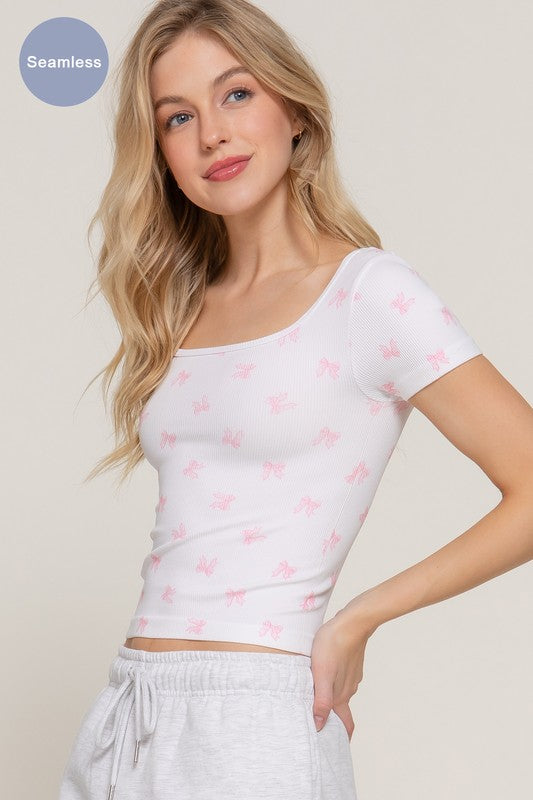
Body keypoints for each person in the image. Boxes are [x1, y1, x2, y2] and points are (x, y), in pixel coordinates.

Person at [58, 1, 533, 798]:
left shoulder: (368, 294)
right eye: (178, 117)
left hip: (254, 720)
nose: (212, 134)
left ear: (297, 111)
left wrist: (358, 619)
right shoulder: (180, 309)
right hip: (128, 710)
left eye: (236, 94)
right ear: (160, 151)